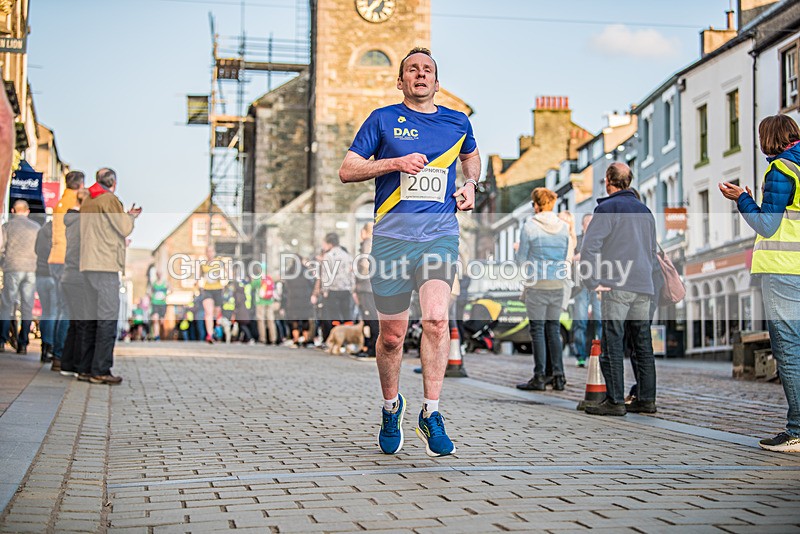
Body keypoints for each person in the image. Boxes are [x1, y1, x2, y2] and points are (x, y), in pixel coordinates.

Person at [339, 47, 480, 457]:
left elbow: (472, 158)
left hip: (439, 235)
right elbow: (348, 170)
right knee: (392, 335)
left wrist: (471, 185)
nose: (420, 74)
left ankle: (431, 412)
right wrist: (393, 163)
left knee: (437, 320)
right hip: (391, 240)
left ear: (437, 81)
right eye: (412, 70)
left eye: (428, 70)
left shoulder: (458, 121)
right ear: (400, 81)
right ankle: (390, 406)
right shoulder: (382, 119)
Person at [720, 114, 800, 452]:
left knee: (789, 349)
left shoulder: (782, 169)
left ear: (769, 139)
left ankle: (796, 430)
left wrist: (742, 198)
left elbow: (767, 224)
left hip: (785, 268)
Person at [579, 163, 658, 416]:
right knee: (642, 342)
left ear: (607, 181)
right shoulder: (645, 210)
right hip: (644, 284)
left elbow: (589, 248)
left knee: (612, 341)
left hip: (617, 284)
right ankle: (646, 399)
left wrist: (592, 281)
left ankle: (614, 401)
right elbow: (652, 251)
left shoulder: (606, 208)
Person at [80, 168, 140, 384]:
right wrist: (131, 217)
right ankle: (100, 370)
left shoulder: (87, 201)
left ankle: (85, 368)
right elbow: (123, 228)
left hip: (86, 264)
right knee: (107, 319)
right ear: (113, 182)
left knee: (90, 319)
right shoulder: (109, 199)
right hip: (105, 265)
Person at [515, 188, 570, 392]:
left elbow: (521, 259)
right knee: (553, 329)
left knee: (537, 330)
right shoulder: (564, 227)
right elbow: (564, 254)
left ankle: (539, 377)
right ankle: (558, 376)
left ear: (537, 205)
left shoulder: (530, 226)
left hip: (537, 284)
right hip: (557, 284)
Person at [48, 171, 85, 369]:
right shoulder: (75, 205)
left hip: (54, 258)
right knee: (66, 310)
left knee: (57, 308)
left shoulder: (59, 204)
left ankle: (55, 351)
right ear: (80, 185)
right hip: (66, 259)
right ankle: (59, 355)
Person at [0, 200, 41, 355]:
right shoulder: (36, 228)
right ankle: (23, 343)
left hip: (12, 267)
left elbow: (1, 247)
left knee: (7, 305)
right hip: (31, 268)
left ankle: (2, 340)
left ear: (13, 210)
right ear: (27, 211)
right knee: (27, 307)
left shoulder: (7, 227)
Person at [61, 189, 90, 380]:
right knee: (83, 324)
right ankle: (80, 366)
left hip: (67, 275)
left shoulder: (70, 220)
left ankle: (67, 364)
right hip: (79, 276)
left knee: (74, 322)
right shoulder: (83, 222)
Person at [311, 233, 355, 344]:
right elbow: (352, 273)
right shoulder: (347, 255)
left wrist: (325, 290)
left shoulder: (329, 256)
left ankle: (336, 340)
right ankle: (348, 340)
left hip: (333, 290)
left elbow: (326, 275)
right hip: (346, 290)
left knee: (334, 317)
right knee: (347, 315)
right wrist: (351, 288)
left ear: (329, 243)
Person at [571, 214, 602, 367]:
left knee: (600, 320)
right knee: (580, 321)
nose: (590, 225)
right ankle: (580, 356)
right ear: (582, 225)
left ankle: (601, 354)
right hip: (581, 286)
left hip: (597, 285)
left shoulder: (600, 239)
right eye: (587, 223)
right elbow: (570, 258)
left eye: (592, 222)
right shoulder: (576, 240)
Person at [353, 222, 379, 358]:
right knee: (371, 318)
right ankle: (368, 346)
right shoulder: (376, 242)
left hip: (366, 287)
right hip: (371, 287)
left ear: (364, 232)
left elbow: (364, 263)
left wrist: (356, 271)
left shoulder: (367, 243)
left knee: (370, 318)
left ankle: (372, 348)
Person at [35, 218, 56, 363]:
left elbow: (36, 250)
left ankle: (44, 347)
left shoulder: (42, 230)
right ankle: (50, 347)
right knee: (54, 313)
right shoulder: (60, 231)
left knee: (46, 312)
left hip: (40, 274)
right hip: (54, 275)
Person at [281, 254, 314, 346]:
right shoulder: (306, 271)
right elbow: (312, 283)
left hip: (293, 299)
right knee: (305, 319)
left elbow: (285, 286)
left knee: (294, 320)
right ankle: (305, 340)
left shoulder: (289, 271)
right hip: (305, 299)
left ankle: (295, 339)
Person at [200, 245, 225, 344]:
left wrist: (223, 281)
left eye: (211, 251)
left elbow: (225, 274)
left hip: (218, 289)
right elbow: (199, 277)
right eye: (208, 251)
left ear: (214, 252)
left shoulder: (219, 263)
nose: (210, 253)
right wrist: (199, 285)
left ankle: (217, 327)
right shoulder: (203, 265)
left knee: (217, 312)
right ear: (206, 253)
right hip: (207, 290)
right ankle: (209, 334)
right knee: (208, 312)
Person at [252, 266, 277, 344]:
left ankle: (263, 338)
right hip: (270, 301)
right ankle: (273, 338)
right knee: (270, 320)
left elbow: (252, 286)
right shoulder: (270, 278)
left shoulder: (258, 278)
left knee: (261, 320)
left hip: (260, 302)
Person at [150, 272, 168, 340]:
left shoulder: (165, 283)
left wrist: (166, 295)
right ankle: (156, 336)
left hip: (162, 304)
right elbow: (150, 292)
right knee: (155, 319)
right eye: (158, 274)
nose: (159, 275)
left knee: (161, 321)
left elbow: (171, 290)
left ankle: (162, 335)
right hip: (155, 303)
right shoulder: (154, 284)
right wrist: (151, 297)